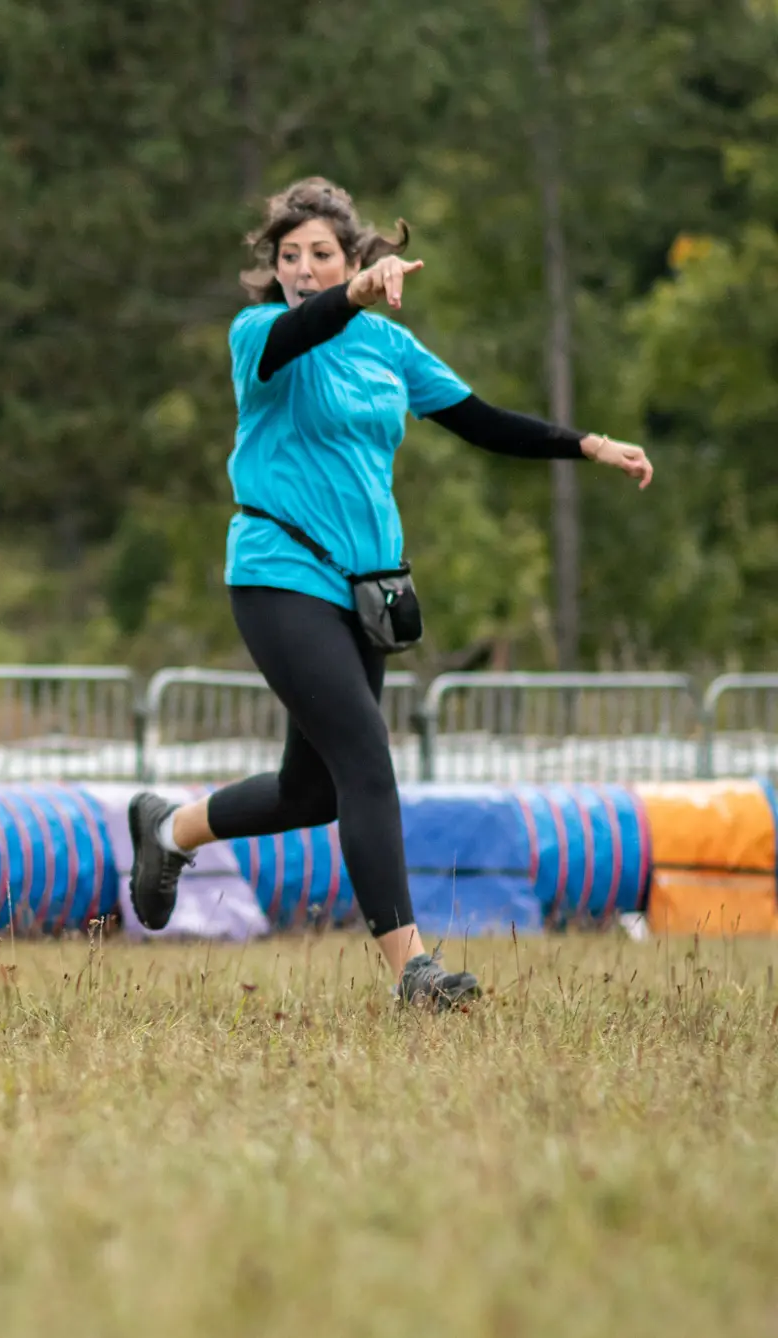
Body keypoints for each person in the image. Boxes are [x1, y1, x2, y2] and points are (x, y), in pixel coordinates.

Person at [126, 177, 654, 1010]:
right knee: (368, 760)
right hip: (278, 571)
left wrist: (589, 443)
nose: (303, 268)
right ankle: (414, 970)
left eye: (323, 255)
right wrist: (353, 294)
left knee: (316, 792)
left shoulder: (387, 349)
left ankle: (170, 828)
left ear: (353, 255)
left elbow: (480, 420)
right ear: (274, 269)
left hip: (366, 586)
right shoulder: (259, 335)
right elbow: (306, 325)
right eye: (289, 256)